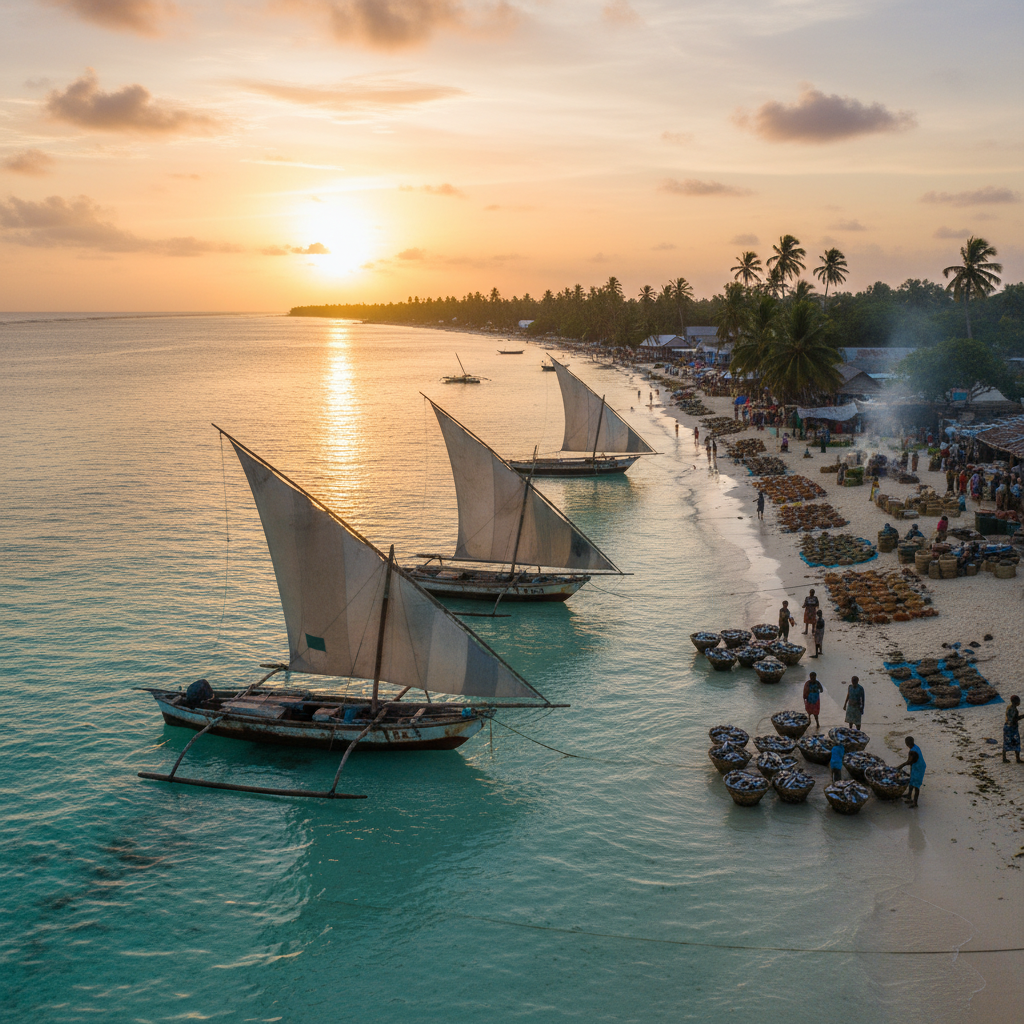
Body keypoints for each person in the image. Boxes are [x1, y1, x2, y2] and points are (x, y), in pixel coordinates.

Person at [897, 736, 926, 807]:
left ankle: (915, 803)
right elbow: (911, 761)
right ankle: (909, 795)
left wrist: (900, 766)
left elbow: (909, 761)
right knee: (912, 780)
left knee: (916, 785)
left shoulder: (912, 751)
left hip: (919, 768)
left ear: (906, 743)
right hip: (916, 766)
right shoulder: (915, 747)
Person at [1003, 695, 1021, 764]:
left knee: (1006, 742)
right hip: (1012, 728)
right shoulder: (1014, 709)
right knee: (1016, 742)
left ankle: (1004, 758)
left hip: (1007, 726)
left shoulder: (1009, 707)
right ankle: (1018, 759)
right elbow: (1014, 719)